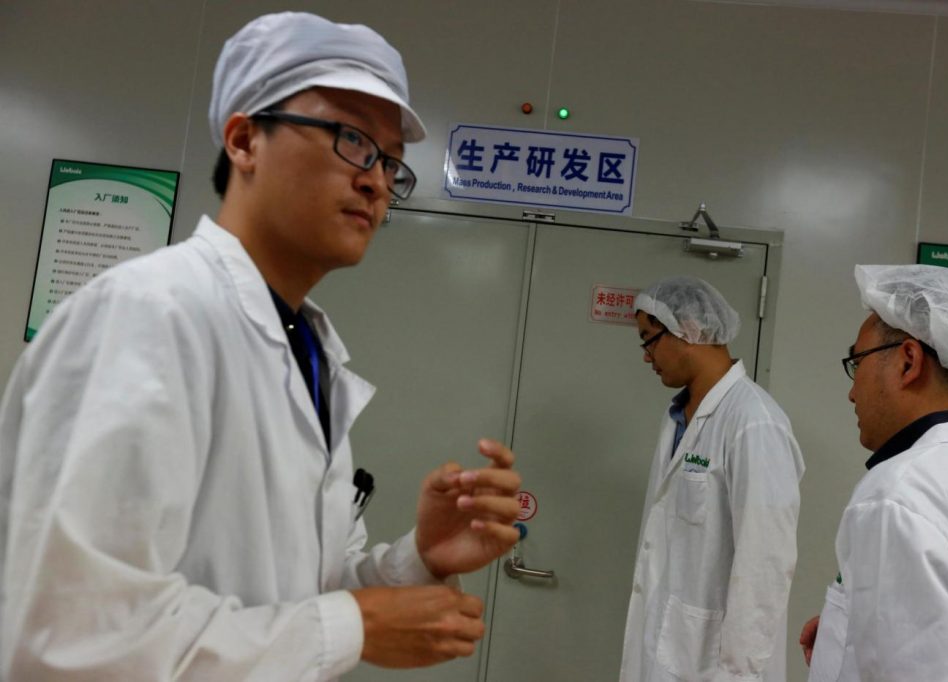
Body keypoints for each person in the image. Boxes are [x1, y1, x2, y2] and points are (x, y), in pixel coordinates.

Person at [0, 12, 522, 680]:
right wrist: (353, 627)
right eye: (351, 139)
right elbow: (70, 636)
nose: (377, 181)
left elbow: (296, 594)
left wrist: (417, 559)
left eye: (391, 161)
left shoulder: (306, 350)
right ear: (245, 141)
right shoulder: (148, 316)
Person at [800, 264, 948, 681]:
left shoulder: (899, 493)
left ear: (908, 361)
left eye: (857, 363)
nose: (852, 392)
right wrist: (844, 629)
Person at [619, 276, 804, 682]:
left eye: (649, 340)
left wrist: (739, 673)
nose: (647, 357)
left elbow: (765, 564)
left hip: (715, 663)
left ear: (688, 328)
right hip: (670, 647)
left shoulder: (754, 422)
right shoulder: (677, 417)